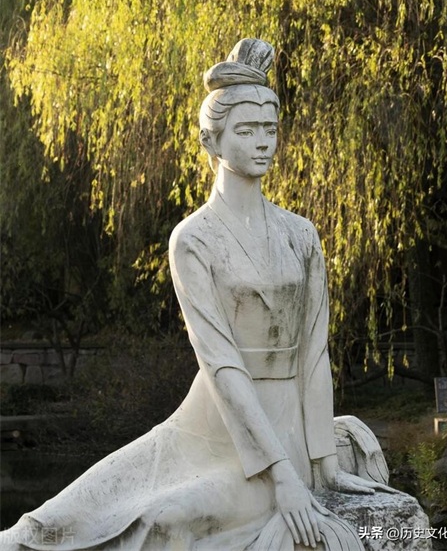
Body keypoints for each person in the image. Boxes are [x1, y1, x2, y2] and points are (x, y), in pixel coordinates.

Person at [0, 39, 393, 551]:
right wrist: (282, 474)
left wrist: (323, 465)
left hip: (285, 429)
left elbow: (315, 353)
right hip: (212, 423)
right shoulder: (193, 239)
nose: (263, 143)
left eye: (270, 129)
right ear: (213, 141)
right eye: (246, 131)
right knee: (69, 514)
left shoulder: (301, 235)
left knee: (165, 518)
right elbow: (221, 363)